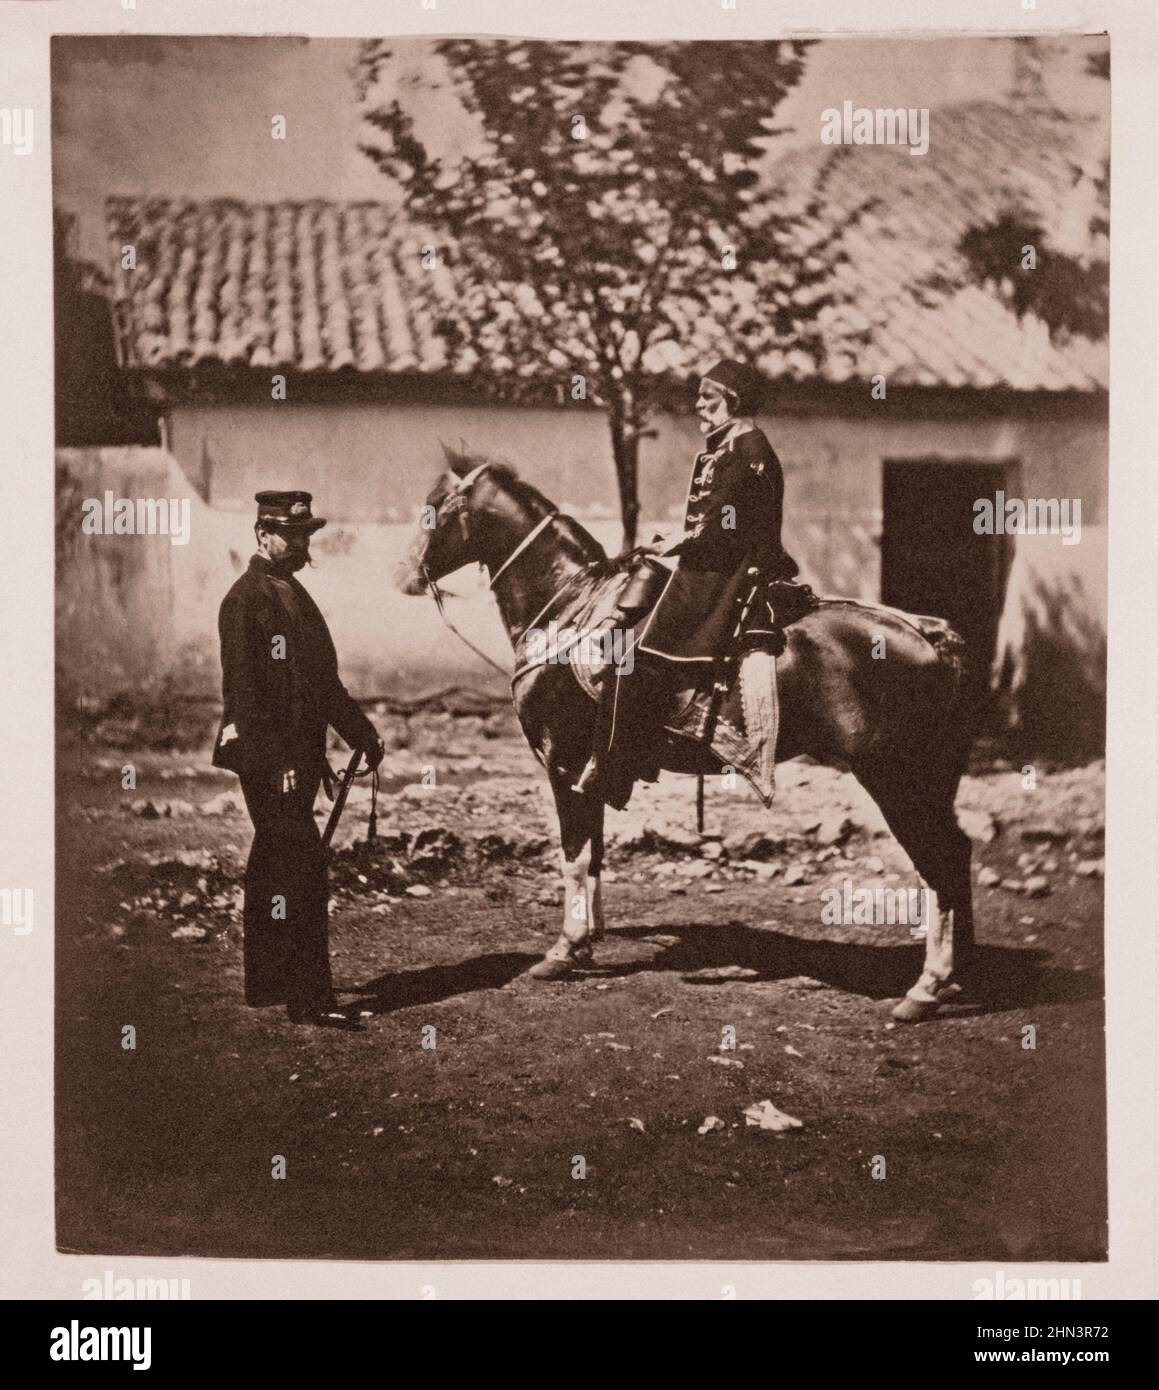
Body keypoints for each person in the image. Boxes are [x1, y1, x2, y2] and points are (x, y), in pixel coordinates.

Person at [575, 360, 798, 805]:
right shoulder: (728, 448)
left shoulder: (750, 453)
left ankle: (616, 767)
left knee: (636, 653)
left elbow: (729, 529)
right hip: (712, 561)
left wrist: (683, 541)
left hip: (732, 572)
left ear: (733, 401)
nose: (699, 405)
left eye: (708, 397)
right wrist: (681, 540)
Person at [212, 491, 384, 1029]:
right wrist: (276, 762)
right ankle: (311, 999)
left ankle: (267, 984)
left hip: (297, 755)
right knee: (302, 867)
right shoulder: (245, 600)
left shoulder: (294, 594)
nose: (302, 543)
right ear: (262, 534)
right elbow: (243, 693)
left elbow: (320, 682)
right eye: (292, 534)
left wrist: (361, 732)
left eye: (307, 534)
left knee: (273, 862)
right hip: (269, 758)